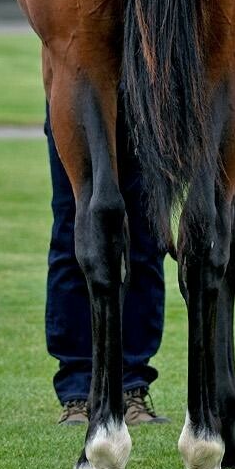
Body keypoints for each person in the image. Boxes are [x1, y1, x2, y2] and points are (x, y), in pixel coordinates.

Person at [44, 106, 169, 426]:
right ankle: (78, 391)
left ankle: (131, 387)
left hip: (145, 104)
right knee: (73, 236)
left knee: (146, 241)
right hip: (77, 100)